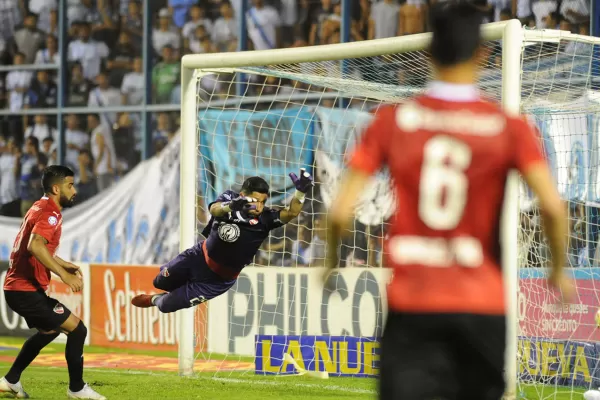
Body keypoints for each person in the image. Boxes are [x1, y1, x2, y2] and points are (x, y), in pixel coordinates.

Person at [325, 3, 573, 400]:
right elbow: (554, 208)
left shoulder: (391, 120)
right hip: (483, 305)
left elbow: (339, 213)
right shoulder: (509, 126)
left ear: (428, 52)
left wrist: (330, 262)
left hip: (415, 303)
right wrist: (558, 270)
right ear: (484, 54)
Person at [132, 171, 313, 312]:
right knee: (159, 282)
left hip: (217, 281)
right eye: (255, 200)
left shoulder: (266, 219)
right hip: (198, 258)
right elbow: (215, 210)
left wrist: (300, 193)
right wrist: (232, 206)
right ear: (243, 194)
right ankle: (164, 288)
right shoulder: (229, 199)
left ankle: (154, 300)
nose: (259, 206)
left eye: (263, 202)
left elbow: (290, 213)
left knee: (166, 306)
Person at [0, 166, 106, 400]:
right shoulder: (50, 212)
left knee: (48, 331)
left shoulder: (38, 206)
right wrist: (63, 275)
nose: (74, 190)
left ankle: (10, 380)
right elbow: (35, 246)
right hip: (24, 290)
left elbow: (38, 247)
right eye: (70, 185)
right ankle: (76, 388)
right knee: (78, 329)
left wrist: (62, 262)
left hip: (19, 288)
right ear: (57, 188)